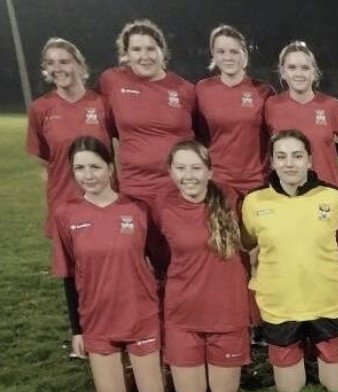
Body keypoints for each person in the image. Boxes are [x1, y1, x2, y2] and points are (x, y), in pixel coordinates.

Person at [50, 136, 165, 392]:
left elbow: (161, 263)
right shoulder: (65, 215)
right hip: (97, 318)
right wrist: (77, 330)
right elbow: (68, 274)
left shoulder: (137, 209)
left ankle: (155, 369)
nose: (88, 175)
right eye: (80, 168)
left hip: (140, 314)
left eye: (95, 166)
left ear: (110, 168)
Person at [242, 130, 338, 392]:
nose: (289, 163)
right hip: (281, 306)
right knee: (290, 391)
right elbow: (247, 243)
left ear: (309, 160)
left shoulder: (335, 198)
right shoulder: (254, 201)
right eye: (281, 156)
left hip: (326, 303)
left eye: (296, 156)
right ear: (272, 162)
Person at [155, 141, 251, 392]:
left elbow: (253, 242)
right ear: (171, 172)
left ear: (210, 171)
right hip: (183, 314)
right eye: (181, 168)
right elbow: (156, 253)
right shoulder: (162, 206)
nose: (189, 176)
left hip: (227, 313)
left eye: (196, 168)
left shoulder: (232, 199)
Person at [98, 19, 196, 200]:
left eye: (151, 49)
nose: (145, 56)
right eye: (136, 49)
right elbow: (107, 131)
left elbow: (201, 138)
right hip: (135, 188)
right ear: (126, 54)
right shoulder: (112, 81)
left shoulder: (186, 90)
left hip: (180, 188)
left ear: (162, 51)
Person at [27, 38, 115, 238]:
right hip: (63, 202)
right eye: (50, 63)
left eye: (64, 62)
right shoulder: (40, 108)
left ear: (79, 64)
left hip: (104, 201)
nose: (57, 68)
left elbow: (121, 144)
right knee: (71, 268)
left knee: (108, 265)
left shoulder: (102, 104)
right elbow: (40, 155)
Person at [263, 41, 338, 190]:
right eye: (292, 68)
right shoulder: (271, 106)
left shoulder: (331, 106)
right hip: (286, 195)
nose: (299, 73)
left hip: (327, 193)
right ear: (283, 72)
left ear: (314, 73)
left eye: (305, 68)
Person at [195, 25, 274, 196]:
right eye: (221, 52)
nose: (228, 57)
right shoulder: (202, 90)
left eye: (234, 51)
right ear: (213, 55)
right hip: (217, 183)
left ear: (244, 54)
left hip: (257, 184)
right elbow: (196, 137)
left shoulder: (264, 91)